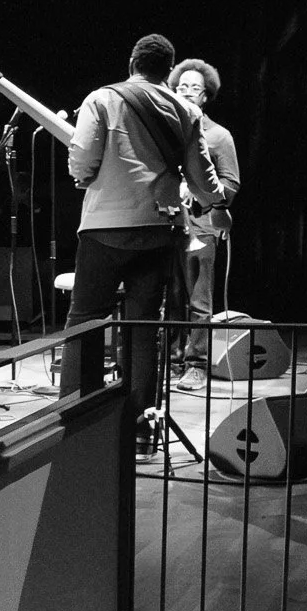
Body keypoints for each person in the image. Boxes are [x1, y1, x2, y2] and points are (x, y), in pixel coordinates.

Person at [58, 34, 229, 436]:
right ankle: (140, 424)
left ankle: (73, 422)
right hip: (157, 230)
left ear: (132, 61)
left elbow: (82, 157)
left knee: (84, 319)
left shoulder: (101, 99)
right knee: (143, 327)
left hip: (104, 228)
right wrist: (216, 203)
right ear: (169, 71)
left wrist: (84, 176)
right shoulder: (185, 109)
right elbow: (203, 178)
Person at [170, 58, 242, 382]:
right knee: (168, 295)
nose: (187, 92)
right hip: (167, 222)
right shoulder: (165, 130)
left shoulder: (219, 136)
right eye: (181, 87)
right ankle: (170, 360)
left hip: (201, 224)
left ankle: (196, 364)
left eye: (194, 88)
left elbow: (231, 183)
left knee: (199, 299)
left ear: (205, 96)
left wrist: (196, 191)